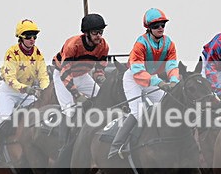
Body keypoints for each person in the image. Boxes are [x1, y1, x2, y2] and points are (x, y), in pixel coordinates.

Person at [108, 8, 180, 159]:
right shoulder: (140, 44)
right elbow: (138, 69)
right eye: (156, 26)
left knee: (166, 105)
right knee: (138, 112)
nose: (160, 28)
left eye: (162, 25)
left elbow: (172, 65)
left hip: (151, 78)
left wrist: (174, 81)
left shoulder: (169, 44)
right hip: (133, 78)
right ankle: (115, 147)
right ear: (149, 28)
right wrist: (160, 83)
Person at [0, 19, 50, 164]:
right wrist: (26, 88)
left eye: (34, 37)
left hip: (28, 92)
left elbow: (43, 75)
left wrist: (44, 89)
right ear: (21, 37)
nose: (32, 40)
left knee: (40, 116)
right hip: (9, 92)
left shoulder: (38, 54)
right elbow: (10, 79)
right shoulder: (12, 53)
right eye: (29, 36)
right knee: (5, 121)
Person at [52, 13, 110, 111]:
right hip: (63, 76)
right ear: (86, 33)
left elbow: (99, 69)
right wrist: (77, 95)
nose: (99, 36)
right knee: (69, 111)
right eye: (95, 32)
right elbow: (65, 73)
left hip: (82, 76)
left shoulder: (104, 46)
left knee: (102, 101)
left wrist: (101, 78)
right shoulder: (73, 45)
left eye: (101, 32)